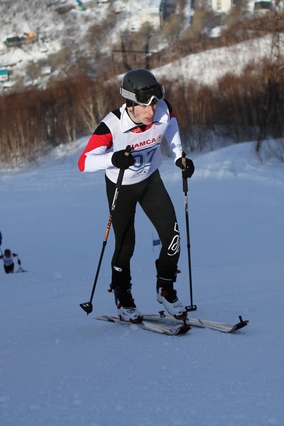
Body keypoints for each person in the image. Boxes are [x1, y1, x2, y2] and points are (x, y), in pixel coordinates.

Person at [77, 68, 195, 323]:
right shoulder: (112, 125)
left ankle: (166, 289)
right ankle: (123, 295)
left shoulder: (163, 109)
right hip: (121, 187)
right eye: (144, 106)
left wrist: (179, 156)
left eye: (154, 104)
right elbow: (84, 163)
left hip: (151, 182)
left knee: (172, 237)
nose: (151, 111)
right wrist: (113, 158)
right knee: (125, 245)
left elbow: (171, 125)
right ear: (130, 103)